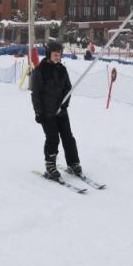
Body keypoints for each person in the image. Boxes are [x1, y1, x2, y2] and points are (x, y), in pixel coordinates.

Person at [31, 41, 81, 179]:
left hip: (61, 111)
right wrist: (38, 112)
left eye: (59, 55)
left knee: (68, 137)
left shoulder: (62, 69)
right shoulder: (40, 70)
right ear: (48, 54)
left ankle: (73, 163)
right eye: (55, 54)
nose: (57, 57)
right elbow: (35, 94)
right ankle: (50, 165)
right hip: (47, 112)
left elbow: (68, 88)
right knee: (53, 138)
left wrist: (65, 105)